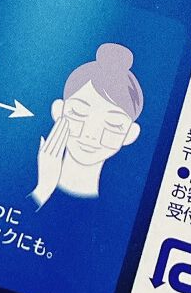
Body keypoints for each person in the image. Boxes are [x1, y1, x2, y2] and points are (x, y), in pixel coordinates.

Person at [32, 43, 144, 206]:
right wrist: (43, 188)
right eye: (78, 113)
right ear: (58, 111)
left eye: (113, 124)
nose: (91, 134)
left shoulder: (121, 206)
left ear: (130, 134)